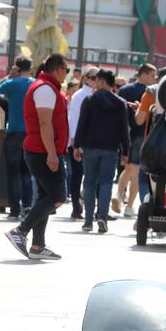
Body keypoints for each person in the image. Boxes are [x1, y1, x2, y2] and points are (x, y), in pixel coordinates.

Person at [7, 54, 70, 259]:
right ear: (58, 69)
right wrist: (52, 153)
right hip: (42, 151)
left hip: (42, 150)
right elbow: (45, 124)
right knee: (58, 197)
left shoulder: (46, 87)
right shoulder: (44, 89)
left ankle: (37, 246)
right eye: (66, 70)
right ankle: (20, 231)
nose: (66, 75)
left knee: (45, 197)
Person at [71, 69, 127, 233]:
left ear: (102, 81)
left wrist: (76, 146)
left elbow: (82, 125)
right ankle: (102, 216)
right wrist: (125, 151)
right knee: (106, 183)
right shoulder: (119, 103)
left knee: (89, 182)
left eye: (96, 80)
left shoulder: (89, 100)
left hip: (90, 148)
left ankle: (88, 221)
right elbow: (124, 130)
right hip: (110, 148)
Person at [0, 57, 36, 218]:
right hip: (30, 133)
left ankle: (15, 209)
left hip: (14, 132)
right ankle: (28, 205)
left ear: (17, 67)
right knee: (27, 172)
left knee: (13, 173)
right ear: (31, 67)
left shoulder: (12, 83)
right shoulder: (35, 84)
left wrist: (8, 75)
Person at [116, 62, 157, 217]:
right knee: (136, 171)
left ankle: (119, 197)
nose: (155, 79)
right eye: (152, 75)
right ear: (144, 74)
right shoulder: (152, 93)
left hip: (126, 134)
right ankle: (128, 205)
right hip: (143, 134)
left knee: (128, 169)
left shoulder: (124, 90)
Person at [65, 68, 98, 221]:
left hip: (92, 141)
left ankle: (89, 206)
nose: (96, 80)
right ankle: (76, 207)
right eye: (93, 77)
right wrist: (73, 141)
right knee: (78, 175)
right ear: (86, 78)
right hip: (79, 141)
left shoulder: (96, 95)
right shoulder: (80, 96)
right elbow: (74, 119)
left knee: (91, 176)